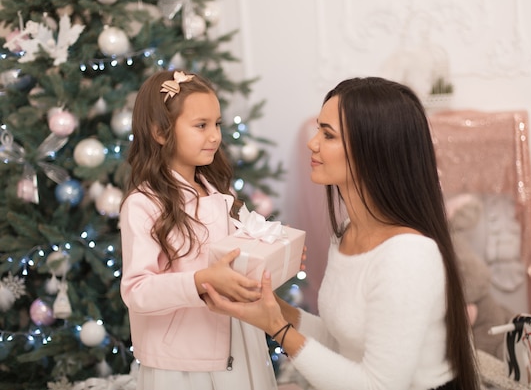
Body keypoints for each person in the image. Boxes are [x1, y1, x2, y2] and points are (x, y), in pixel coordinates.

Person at [203, 76, 480, 390]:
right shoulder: (349, 232)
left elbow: (380, 386)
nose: (312, 143)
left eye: (328, 134)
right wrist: (273, 309)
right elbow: (344, 343)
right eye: (319, 129)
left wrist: (279, 330)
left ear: (372, 151)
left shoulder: (408, 257)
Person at [119, 70, 277, 390]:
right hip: (183, 362)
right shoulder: (143, 205)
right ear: (161, 132)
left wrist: (274, 259)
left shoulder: (220, 194)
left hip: (239, 340)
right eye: (201, 126)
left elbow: (242, 251)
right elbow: (137, 290)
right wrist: (200, 281)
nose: (215, 137)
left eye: (217, 124)